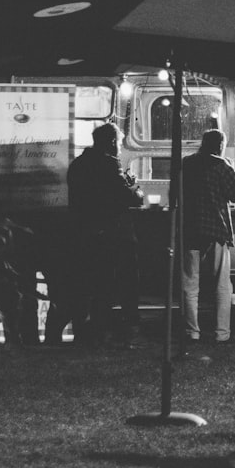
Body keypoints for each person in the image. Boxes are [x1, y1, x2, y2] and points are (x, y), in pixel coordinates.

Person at [66, 122, 144, 347]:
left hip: (85, 233)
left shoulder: (78, 164)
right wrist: (134, 188)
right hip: (115, 234)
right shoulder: (110, 165)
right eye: (119, 142)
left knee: (94, 284)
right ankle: (125, 330)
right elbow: (130, 198)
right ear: (111, 143)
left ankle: (91, 331)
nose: (120, 147)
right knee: (125, 283)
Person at [181, 129, 235, 343]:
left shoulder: (186, 164)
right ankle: (222, 333)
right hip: (216, 229)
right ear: (220, 145)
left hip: (189, 229)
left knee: (190, 283)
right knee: (221, 283)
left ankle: (192, 331)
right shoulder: (221, 165)